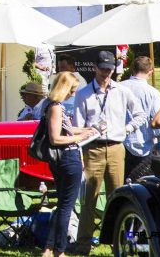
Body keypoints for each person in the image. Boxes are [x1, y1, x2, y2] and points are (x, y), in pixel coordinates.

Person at [72, 50, 147, 256]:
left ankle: (120, 243)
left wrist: (128, 129)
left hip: (116, 148)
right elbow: (77, 126)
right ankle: (83, 244)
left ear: (114, 69)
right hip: (92, 148)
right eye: (102, 69)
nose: (106, 73)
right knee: (89, 198)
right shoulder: (83, 93)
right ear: (95, 68)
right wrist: (88, 135)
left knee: (119, 196)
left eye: (109, 69)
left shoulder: (122, 91)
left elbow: (141, 114)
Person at [42, 72, 96, 257]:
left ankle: (49, 249)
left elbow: (64, 128)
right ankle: (60, 250)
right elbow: (55, 138)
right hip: (67, 158)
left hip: (60, 160)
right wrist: (80, 137)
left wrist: (87, 130)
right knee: (67, 206)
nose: (73, 93)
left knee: (63, 205)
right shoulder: (56, 107)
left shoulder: (50, 105)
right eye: (72, 89)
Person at [120, 56, 160, 180]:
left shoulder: (118, 87)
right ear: (151, 72)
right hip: (145, 142)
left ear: (132, 69)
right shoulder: (152, 93)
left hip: (120, 140)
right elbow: (157, 120)